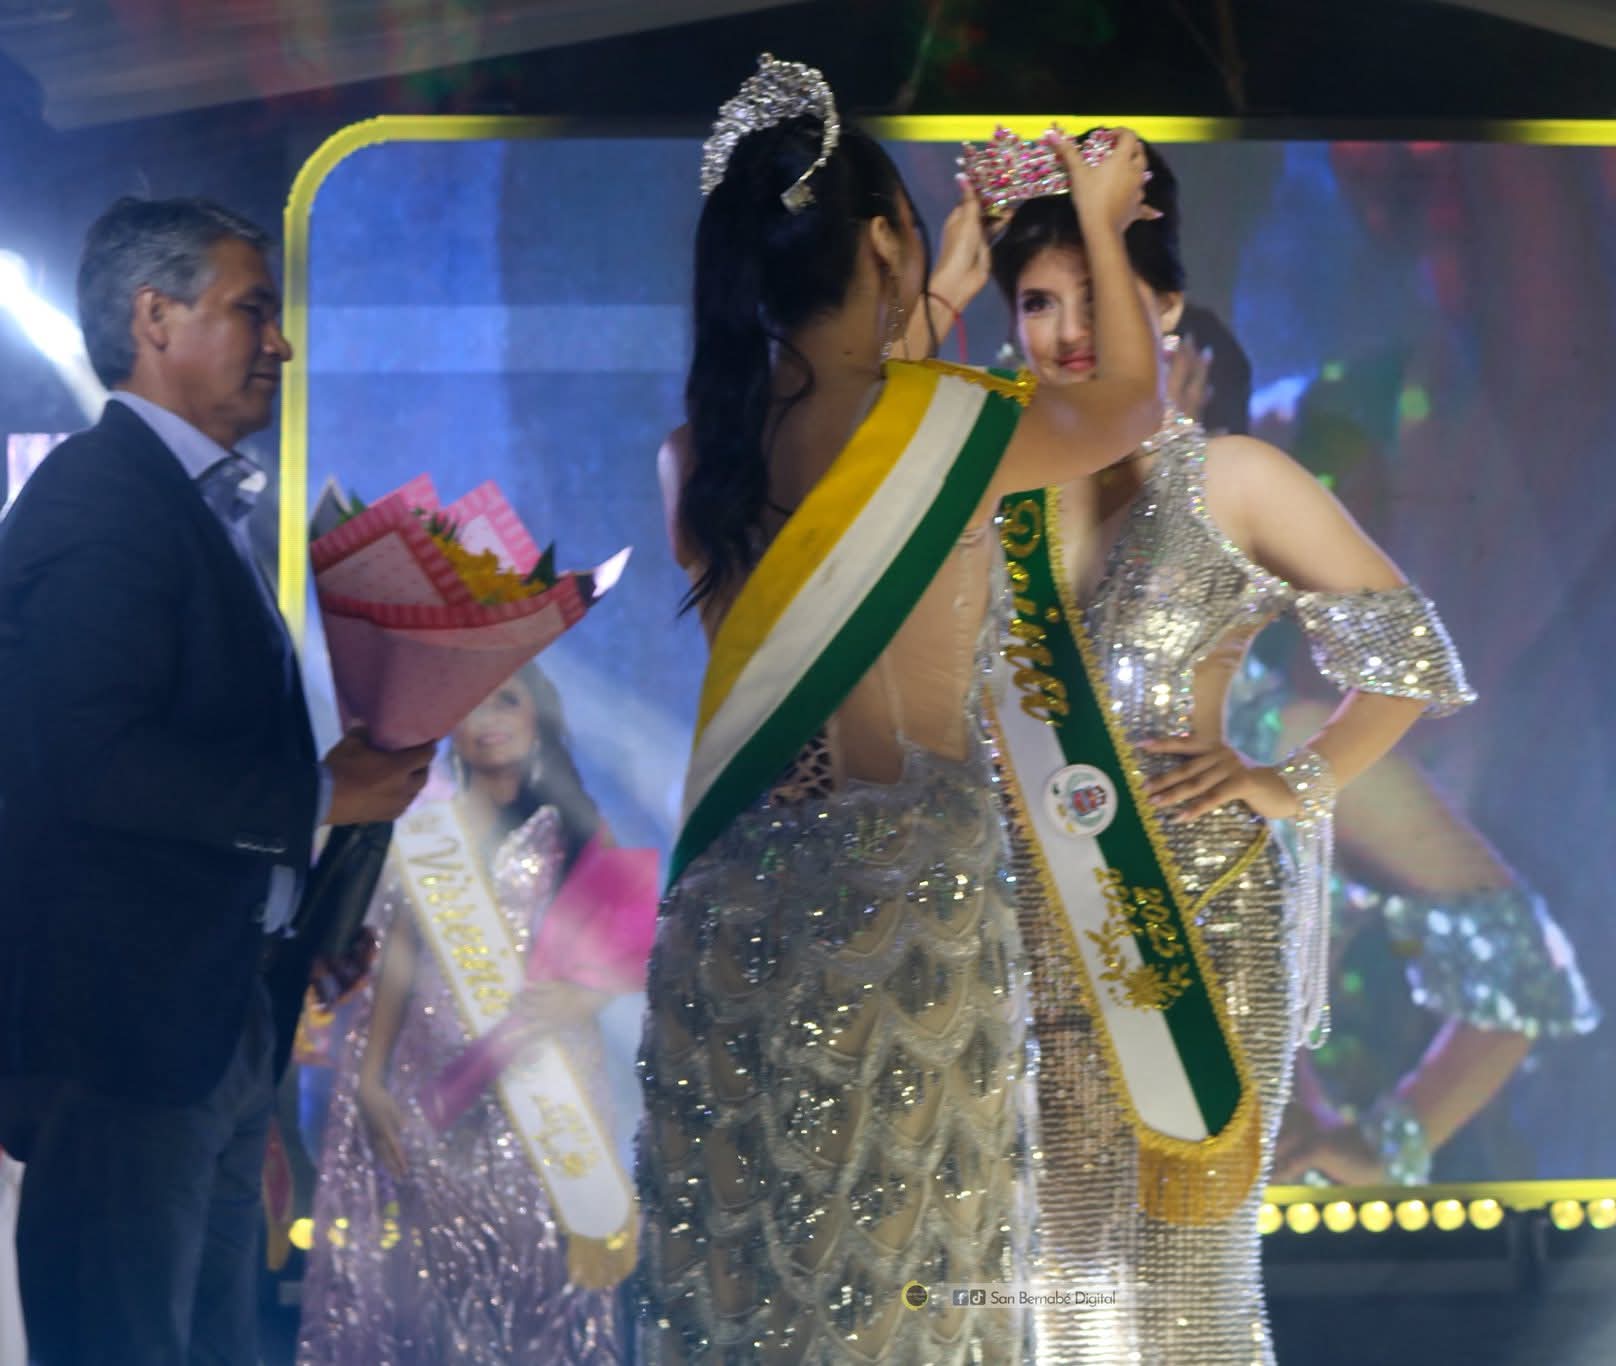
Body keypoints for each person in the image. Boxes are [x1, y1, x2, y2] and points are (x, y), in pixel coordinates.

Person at [636, 57, 1160, 1363]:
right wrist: (1099, 219)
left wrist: (932, 295)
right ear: (880, 240)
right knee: (908, 1268)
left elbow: (850, 454)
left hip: (738, 908)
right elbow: (1130, 405)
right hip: (907, 915)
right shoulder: (958, 424)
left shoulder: (700, 452)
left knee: (753, 1274)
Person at [977, 137, 1474, 1364]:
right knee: (1056, 1282)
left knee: (1185, 1291)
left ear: (1163, 309)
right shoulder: (993, 491)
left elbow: (1405, 655)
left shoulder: (1231, 479)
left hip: (1193, 918)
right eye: (1037, 304)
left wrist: (1291, 780)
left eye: (1097, 298)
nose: (1066, 332)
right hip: (1018, 921)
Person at [0, 196, 436, 1365]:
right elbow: (89, 761)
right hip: (128, 1039)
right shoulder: (99, 496)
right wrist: (319, 799)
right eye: (254, 310)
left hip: (215, 1017)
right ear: (156, 318)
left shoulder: (180, 503)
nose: (279, 344)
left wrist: (306, 907)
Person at [298, 663, 649, 1364]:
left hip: (541, 1081)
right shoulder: (429, 835)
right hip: (432, 1077)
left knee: (534, 1269)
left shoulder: (577, 832)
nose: (488, 721)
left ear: (536, 717)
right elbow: (396, 958)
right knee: (437, 1278)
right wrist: (370, 1077)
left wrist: (581, 998)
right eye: (472, 707)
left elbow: (624, 943)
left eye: (506, 702)